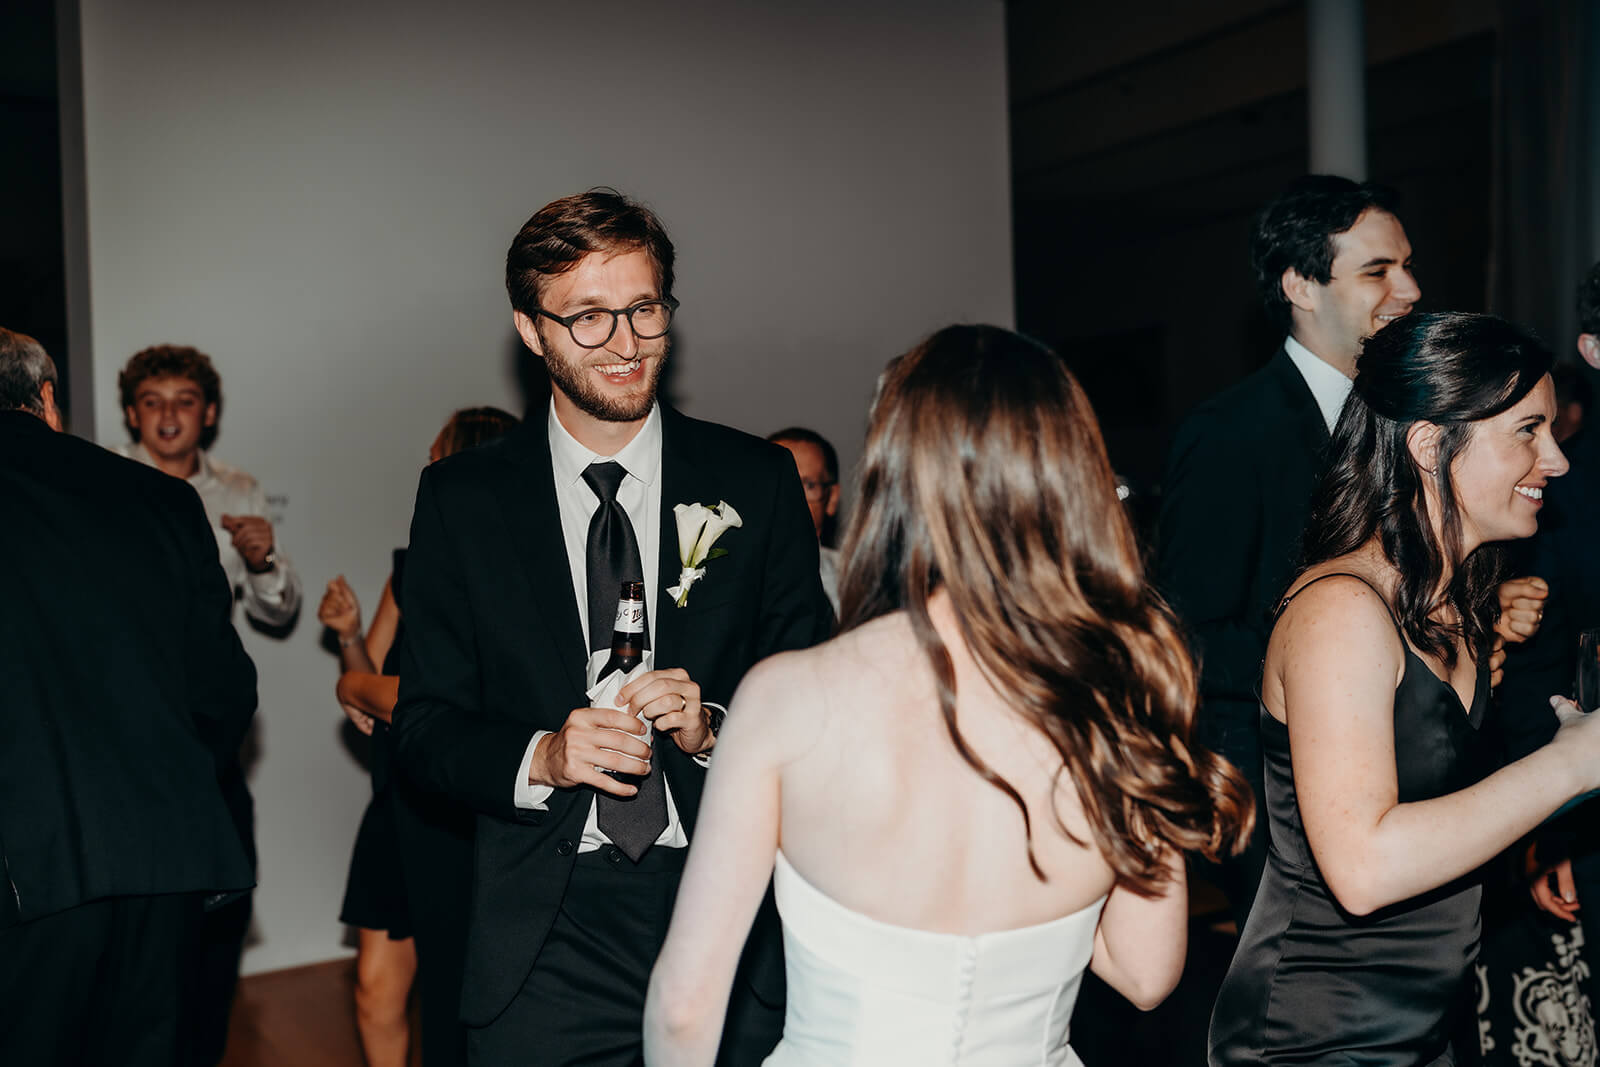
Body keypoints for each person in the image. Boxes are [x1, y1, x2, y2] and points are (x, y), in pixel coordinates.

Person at [645, 324, 1255, 1066]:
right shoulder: (1115, 700)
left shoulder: (787, 698)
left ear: (894, 474)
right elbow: (1147, 974)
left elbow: (684, 1009)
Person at [391, 189, 833, 1065]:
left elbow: (819, 700)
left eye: (644, 308)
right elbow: (426, 728)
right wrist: (543, 757)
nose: (627, 343)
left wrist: (718, 731)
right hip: (546, 931)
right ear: (531, 329)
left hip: (733, 909)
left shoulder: (757, 479)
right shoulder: (462, 502)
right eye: (589, 318)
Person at [1208, 312, 1600, 1065]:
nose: (1556, 459)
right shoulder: (1341, 611)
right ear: (1429, 445)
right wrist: (1570, 765)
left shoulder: (1458, 601)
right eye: (1527, 430)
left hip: (1422, 1026)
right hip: (1317, 1037)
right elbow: (1363, 869)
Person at [1156, 175, 1421, 929]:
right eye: (1378, 270)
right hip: (1286, 783)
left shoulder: (1413, 417)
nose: (1409, 286)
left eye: (1405, 264)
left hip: (1414, 755)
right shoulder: (1231, 432)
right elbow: (1190, 633)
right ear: (1300, 285)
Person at [0, 328, 257, 1065]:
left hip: (21, 872)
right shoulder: (162, 499)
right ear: (49, 400)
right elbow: (224, 694)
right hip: (162, 856)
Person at [113, 341, 302, 1064]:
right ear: (132, 412)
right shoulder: (100, 480)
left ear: (209, 412)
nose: (169, 415)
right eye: (153, 402)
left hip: (209, 725)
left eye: (184, 401)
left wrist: (263, 561)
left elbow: (278, 613)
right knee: (137, 911)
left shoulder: (238, 488)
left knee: (226, 896)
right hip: (125, 720)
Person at [317, 405, 518, 1067]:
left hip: (458, 809)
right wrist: (348, 640)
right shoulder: (412, 569)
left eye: (437, 457)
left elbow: (428, 699)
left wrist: (359, 689)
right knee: (375, 986)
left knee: (455, 991)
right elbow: (371, 685)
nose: (426, 473)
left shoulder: (504, 580)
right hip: (396, 797)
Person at [767, 427, 841, 616]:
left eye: (808, 485)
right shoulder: (730, 578)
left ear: (832, 498)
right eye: (779, 483)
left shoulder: (859, 580)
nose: (792, 497)